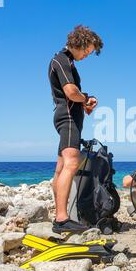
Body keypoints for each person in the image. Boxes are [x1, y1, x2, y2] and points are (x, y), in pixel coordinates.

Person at [48, 25, 103, 233]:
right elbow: (71, 92)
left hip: (69, 117)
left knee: (61, 167)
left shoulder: (68, 62)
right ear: (79, 43)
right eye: (87, 51)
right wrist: (85, 98)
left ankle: (60, 216)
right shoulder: (61, 59)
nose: (87, 55)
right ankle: (62, 219)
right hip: (68, 118)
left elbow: (73, 95)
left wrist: (85, 103)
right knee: (72, 162)